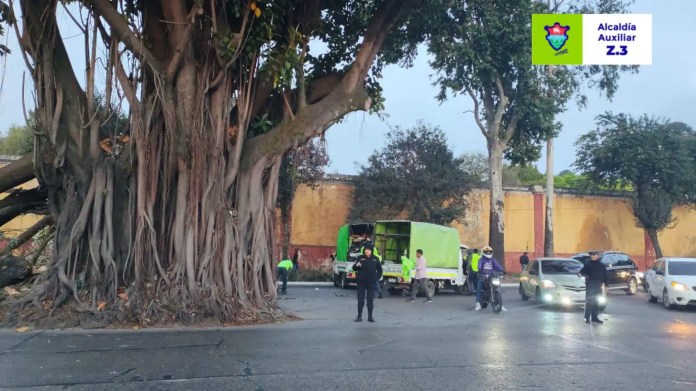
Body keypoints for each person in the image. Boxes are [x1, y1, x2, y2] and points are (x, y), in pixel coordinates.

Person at [352, 242, 382, 322]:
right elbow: (354, 268)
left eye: (368, 250)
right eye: (365, 250)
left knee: (370, 300)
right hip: (361, 282)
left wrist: (376, 279)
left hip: (371, 283)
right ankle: (359, 316)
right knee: (360, 300)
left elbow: (380, 271)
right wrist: (356, 266)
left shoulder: (375, 259)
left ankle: (370, 317)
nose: (367, 251)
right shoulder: (360, 258)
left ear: (371, 250)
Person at [578, 250, 607, 324]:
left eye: (594, 255)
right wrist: (582, 276)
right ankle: (587, 317)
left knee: (596, 301)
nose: (592, 256)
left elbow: (605, 276)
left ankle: (594, 317)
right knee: (589, 301)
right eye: (591, 255)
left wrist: (606, 285)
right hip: (590, 284)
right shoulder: (588, 264)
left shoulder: (602, 265)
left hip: (598, 284)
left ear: (598, 256)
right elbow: (580, 273)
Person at [475, 246, 504, 311]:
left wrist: (502, 271)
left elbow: (497, 266)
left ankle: (500, 304)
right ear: (483, 252)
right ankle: (478, 303)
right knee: (479, 288)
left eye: (489, 252)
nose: (488, 253)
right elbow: (479, 266)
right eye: (486, 252)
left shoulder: (492, 260)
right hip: (483, 275)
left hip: (492, 276)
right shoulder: (481, 259)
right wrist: (479, 269)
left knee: (498, 286)